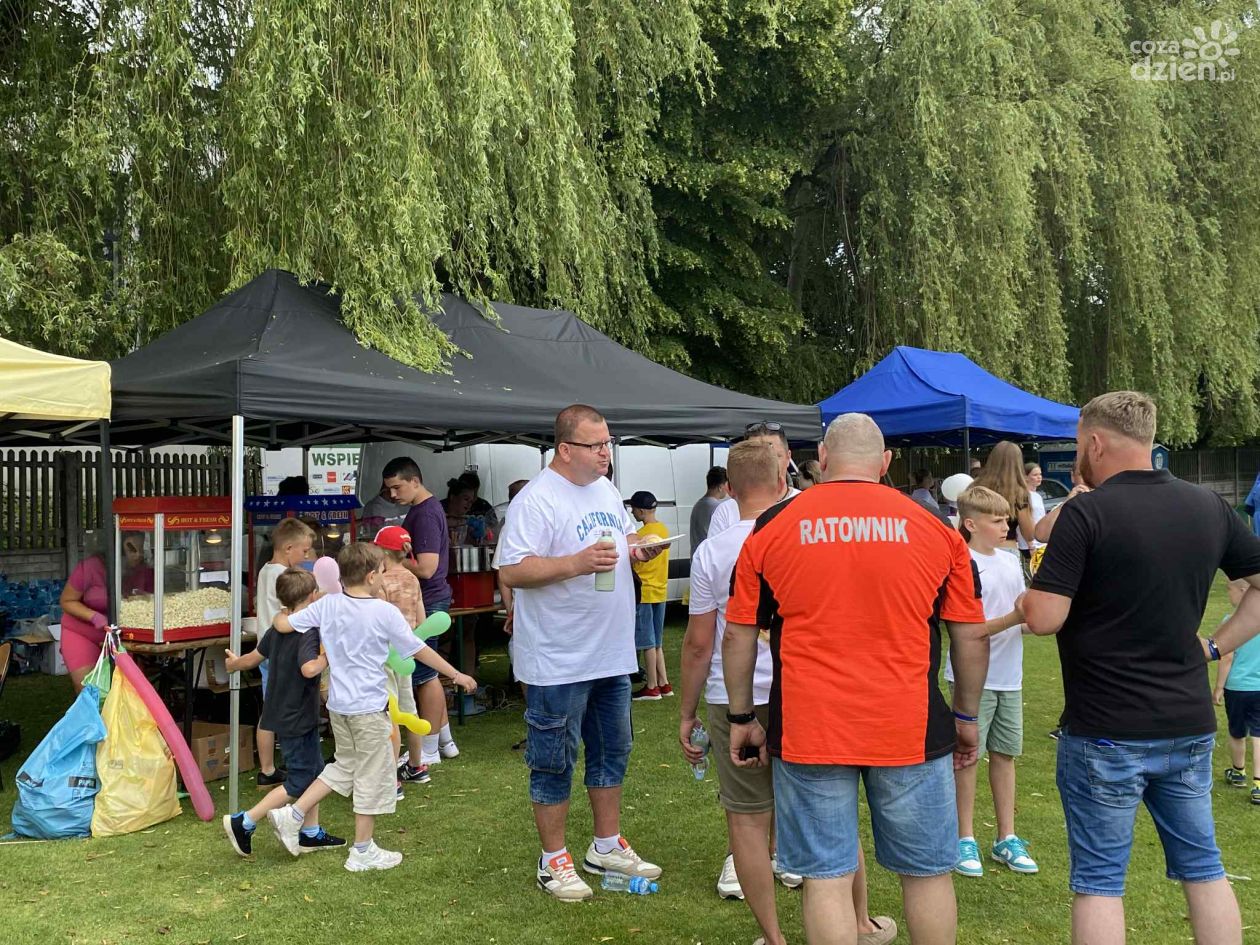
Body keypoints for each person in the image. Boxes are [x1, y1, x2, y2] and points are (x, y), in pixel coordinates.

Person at [723, 412, 989, 945]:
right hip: (909, 725)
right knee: (927, 873)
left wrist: (741, 716)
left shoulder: (772, 527)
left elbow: (738, 635)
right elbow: (971, 638)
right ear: (885, 462)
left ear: (822, 459)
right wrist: (965, 715)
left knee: (826, 877)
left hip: (811, 728)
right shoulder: (936, 529)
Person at [1023, 390, 1260, 945]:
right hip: (1186, 722)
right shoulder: (1208, 506)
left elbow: (1044, 618)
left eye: (1078, 446)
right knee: (1204, 868)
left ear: (1095, 443)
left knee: (1100, 883)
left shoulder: (1085, 513)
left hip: (1104, 730)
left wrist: (1031, 595)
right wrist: (1215, 647)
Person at [679, 440, 896, 945]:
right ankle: (859, 921)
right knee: (833, 810)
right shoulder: (809, 533)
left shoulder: (714, 550)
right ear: (783, 481)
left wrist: (686, 711)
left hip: (735, 694)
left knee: (747, 821)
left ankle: (775, 937)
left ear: (729, 490)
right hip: (805, 688)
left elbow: (698, 643)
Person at [497, 404, 667, 901]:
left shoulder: (606, 490)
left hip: (610, 651)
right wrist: (575, 563)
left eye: (608, 443)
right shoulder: (536, 499)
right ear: (565, 449)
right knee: (554, 760)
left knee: (613, 750)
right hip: (558, 658)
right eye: (595, 445)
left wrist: (637, 547)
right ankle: (553, 860)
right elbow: (512, 570)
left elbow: (619, 539)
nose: (605, 453)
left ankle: (605, 845)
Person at [269, 542, 476, 872]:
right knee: (371, 776)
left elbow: (285, 624)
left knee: (345, 766)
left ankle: (292, 814)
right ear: (370, 577)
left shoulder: (328, 605)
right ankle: (362, 850)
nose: (383, 576)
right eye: (381, 571)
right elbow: (418, 649)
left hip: (339, 707)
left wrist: (279, 614)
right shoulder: (384, 612)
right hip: (368, 709)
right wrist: (456, 674)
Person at [944, 486, 1038, 879]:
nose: (1006, 526)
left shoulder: (1010, 562)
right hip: (972, 680)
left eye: (1006, 519)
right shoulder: (962, 563)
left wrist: (1043, 616)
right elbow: (969, 632)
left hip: (1010, 678)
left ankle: (1006, 837)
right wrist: (1016, 617)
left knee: (1004, 755)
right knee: (966, 758)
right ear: (970, 523)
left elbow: (1023, 619)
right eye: (997, 520)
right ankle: (963, 837)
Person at [222, 568, 344, 856]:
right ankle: (245, 821)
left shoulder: (278, 628)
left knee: (314, 772)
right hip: (297, 715)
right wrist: (328, 655)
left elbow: (253, 658)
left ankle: (310, 833)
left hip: (280, 711)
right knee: (300, 779)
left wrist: (234, 664)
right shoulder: (307, 632)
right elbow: (309, 668)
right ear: (312, 596)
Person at [382, 456, 457, 766]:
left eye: (397, 487)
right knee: (428, 673)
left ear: (415, 481)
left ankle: (428, 749)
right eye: (389, 489)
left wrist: (391, 560)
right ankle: (446, 742)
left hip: (428, 599)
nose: (393, 495)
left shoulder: (425, 513)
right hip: (428, 598)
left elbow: (426, 567)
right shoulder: (423, 509)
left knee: (426, 676)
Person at [254, 517, 316, 786]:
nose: (306, 557)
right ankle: (272, 767)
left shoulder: (265, 570)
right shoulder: (283, 576)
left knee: (270, 708)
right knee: (278, 710)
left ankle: (268, 768)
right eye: (304, 551)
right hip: (281, 651)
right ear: (288, 548)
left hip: (268, 649)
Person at [372, 525, 432, 787]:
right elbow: (422, 620)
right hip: (406, 654)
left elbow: (378, 620)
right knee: (409, 709)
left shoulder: (381, 581)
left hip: (385, 655)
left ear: (382, 552)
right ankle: (416, 765)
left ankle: (391, 778)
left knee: (389, 713)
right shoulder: (412, 579)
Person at [59, 531, 155, 692]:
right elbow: (67, 601)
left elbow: (152, 600)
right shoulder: (90, 567)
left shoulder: (143, 571)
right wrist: (95, 617)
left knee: (129, 689)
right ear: (117, 548)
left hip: (122, 636)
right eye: (132, 549)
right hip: (83, 632)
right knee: (87, 688)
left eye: (141, 549)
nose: (138, 555)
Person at [707, 422, 799, 539]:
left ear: (788, 457)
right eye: (756, 459)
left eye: (776, 456)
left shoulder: (805, 505)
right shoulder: (725, 513)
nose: (768, 464)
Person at [1214, 579, 1260, 804]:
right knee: (1259, 734)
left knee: (1237, 731)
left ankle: (1238, 771)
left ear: (1244, 590)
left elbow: (1226, 657)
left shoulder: (1231, 622)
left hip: (1238, 688)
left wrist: (1218, 687)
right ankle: (1258, 784)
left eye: (1229, 590)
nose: (1228, 595)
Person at [629, 490, 671, 701]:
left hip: (645, 592)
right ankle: (664, 683)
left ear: (642, 511)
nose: (632, 512)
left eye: (633, 509)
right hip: (660, 591)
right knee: (657, 642)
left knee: (647, 642)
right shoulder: (663, 530)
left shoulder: (641, 535)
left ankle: (652, 686)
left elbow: (635, 561)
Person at [971, 441, 1035, 548]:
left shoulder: (975, 486)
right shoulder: (1019, 493)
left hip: (977, 547)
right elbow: (1029, 535)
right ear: (1018, 463)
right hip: (1006, 547)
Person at [690, 466, 728, 548]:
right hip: (710, 554)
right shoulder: (718, 508)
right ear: (720, 487)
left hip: (696, 554)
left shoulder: (697, 505)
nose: (728, 489)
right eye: (727, 484)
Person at [1017, 463, 1046, 560]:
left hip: (1041, 542)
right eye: (1035, 475)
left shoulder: (1038, 496)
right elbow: (1024, 519)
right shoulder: (1023, 495)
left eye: (1040, 474)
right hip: (1029, 544)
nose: (1039, 477)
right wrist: (1030, 544)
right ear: (1026, 477)